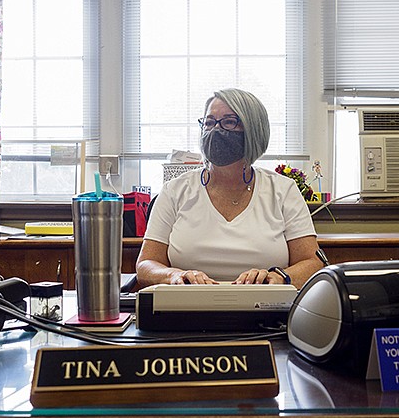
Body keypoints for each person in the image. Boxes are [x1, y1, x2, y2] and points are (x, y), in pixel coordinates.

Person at [135, 88, 322, 289]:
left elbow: (312, 263)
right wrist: (174, 275)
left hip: (265, 310)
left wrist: (278, 277)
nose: (215, 130)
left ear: (253, 129)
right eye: (209, 122)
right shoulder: (174, 191)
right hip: (188, 308)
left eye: (229, 122)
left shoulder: (283, 191)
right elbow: (145, 265)